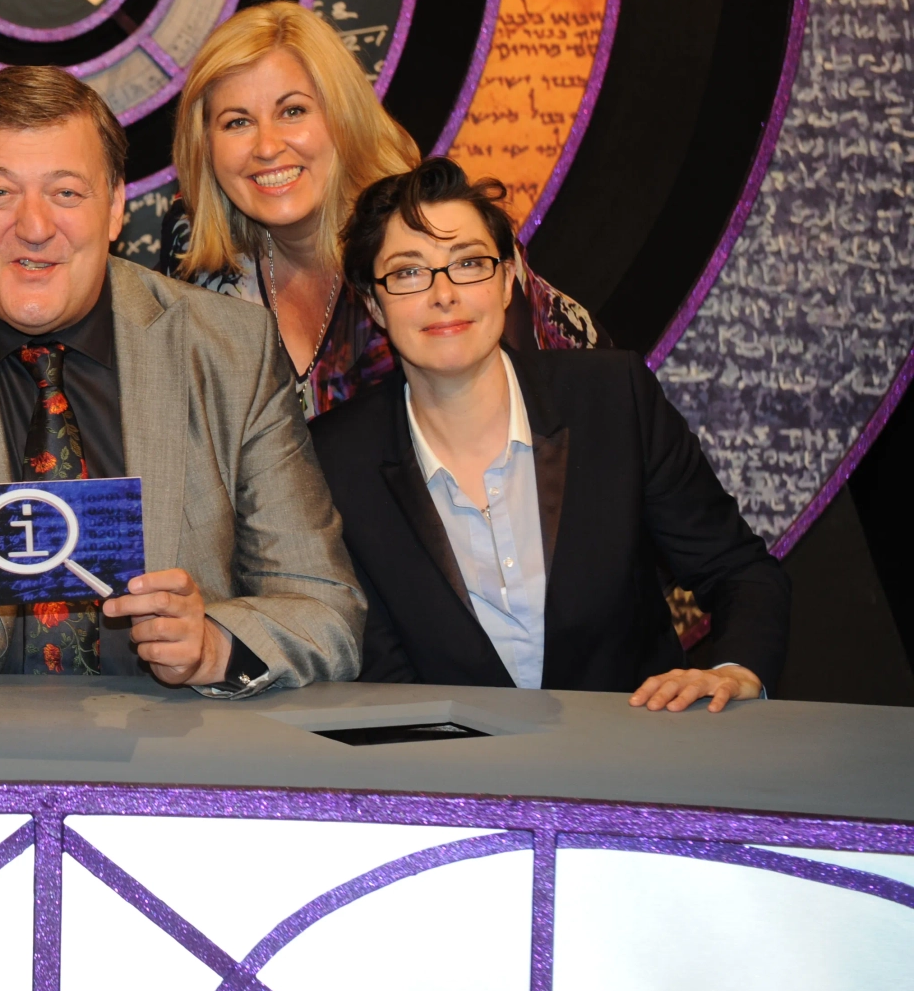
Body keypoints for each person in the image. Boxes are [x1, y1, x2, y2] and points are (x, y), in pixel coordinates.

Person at [0, 66, 363, 694]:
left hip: (166, 760)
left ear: (115, 209)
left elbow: (327, 610)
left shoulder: (229, 350)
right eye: (0, 194)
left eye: (67, 193)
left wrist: (215, 643)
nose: (34, 226)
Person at [309, 159, 788, 708]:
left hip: (635, 758)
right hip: (452, 778)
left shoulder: (613, 398)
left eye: (469, 263)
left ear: (508, 279)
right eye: (409, 272)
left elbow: (739, 571)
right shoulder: (335, 460)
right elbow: (378, 674)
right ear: (373, 302)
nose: (443, 294)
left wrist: (733, 670)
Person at [159, 0, 604, 421]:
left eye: (293, 111)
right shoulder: (193, 248)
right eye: (237, 122)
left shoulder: (432, 231)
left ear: (344, 117)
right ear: (205, 145)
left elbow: (551, 429)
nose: (268, 146)